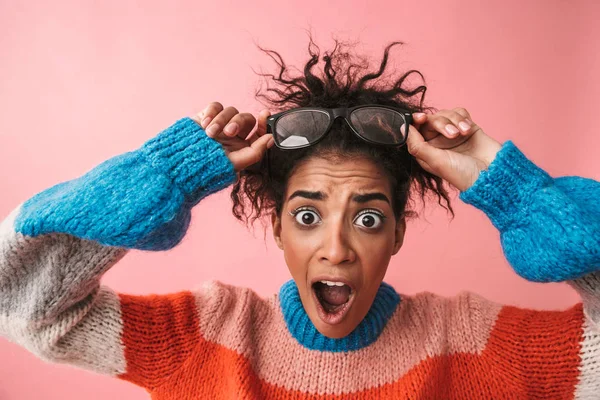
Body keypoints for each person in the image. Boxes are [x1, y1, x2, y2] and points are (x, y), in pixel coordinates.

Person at [0, 40, 598, 399]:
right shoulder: (209, 335)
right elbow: (21, 308)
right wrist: (163, 175)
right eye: (308, 214)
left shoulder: (468, 340)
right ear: (279, 228)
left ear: (397, 235)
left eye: (368, 220)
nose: (336, 249)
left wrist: (513, 189)